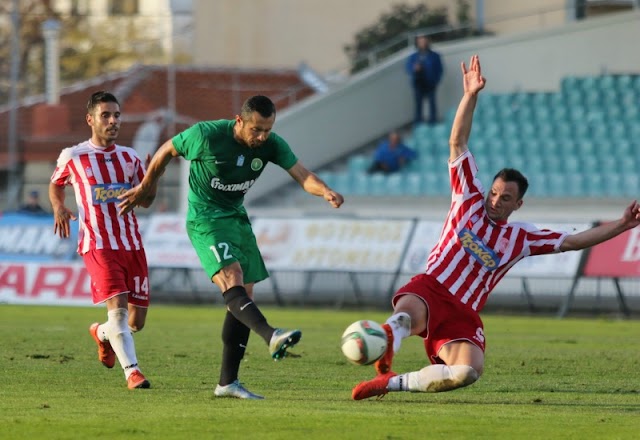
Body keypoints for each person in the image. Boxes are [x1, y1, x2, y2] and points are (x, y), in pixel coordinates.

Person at [352, 55, 640, 400]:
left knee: (466, 373)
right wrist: (470, 95)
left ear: (518, 204)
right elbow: (456, 143)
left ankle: (390, 382)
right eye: (494, 192)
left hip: (463, 312)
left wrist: (623, 224)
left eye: (505, 198)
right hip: (431, 287)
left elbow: (575, 241)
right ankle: (387, 347)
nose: (495, 200)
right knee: (407, 315)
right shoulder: (467, 198)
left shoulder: (521, 238)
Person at [117, 95, 345, 399]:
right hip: (205, 219)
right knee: (232, 276)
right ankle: (271, 334)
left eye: (267, 129)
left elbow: (303, 176)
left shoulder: (271, 145)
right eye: (256, 130)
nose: (262, 137)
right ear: (239, 121)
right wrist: (147, 186)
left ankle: (227, 383)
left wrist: (325, 191)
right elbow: (167, 149)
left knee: (243, 296)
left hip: (236, 219)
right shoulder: (207, 136)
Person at [49, 91, 156, 390]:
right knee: (119, 311)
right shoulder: (74, 155)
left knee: (136, 323)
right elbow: (55, 184)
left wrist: (151, 181)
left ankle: (102, 334)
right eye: (106, 115)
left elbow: (145, 202)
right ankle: (132, 372)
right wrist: (59, 206)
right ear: (90, 119)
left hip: (132, 245)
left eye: (117, 115)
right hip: (98, 244)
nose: (113, 121)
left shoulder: (131, 157)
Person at [406, 35, 443, 125]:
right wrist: (415, 69)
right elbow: (408, 68)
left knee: (432, 103)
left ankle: (433, 122)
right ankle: (418, 123)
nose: (422, 43)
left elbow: (440, 70)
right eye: (420, 42)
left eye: (424, 41)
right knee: (418, 105)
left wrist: (436, 81)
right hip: (418, 84)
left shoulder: (435, 56)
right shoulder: (413, 57)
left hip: (430, 83)